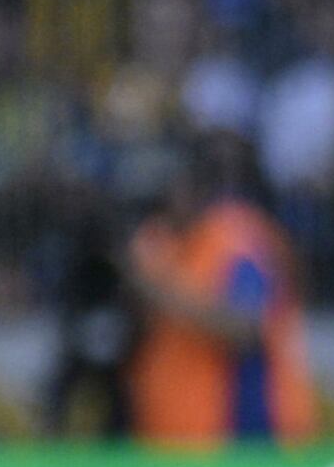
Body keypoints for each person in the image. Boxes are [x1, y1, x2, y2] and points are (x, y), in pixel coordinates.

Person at [127, 134, 316, 447]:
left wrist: (158, 292)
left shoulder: (237, 237)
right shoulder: (161, 243)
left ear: (194, 188)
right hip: (173, 444)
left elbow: (246, 327)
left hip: (248, 435)